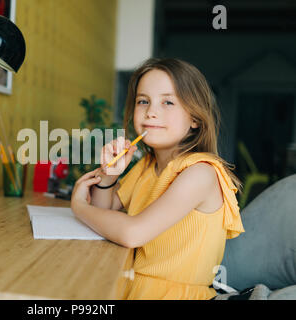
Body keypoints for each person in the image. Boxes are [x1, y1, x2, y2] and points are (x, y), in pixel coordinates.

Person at [70, 58, 245, 300]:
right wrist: (109, 176)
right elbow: (104, 211)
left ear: (195, 118)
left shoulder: (200, 173)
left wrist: (78, 207)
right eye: (143, 101)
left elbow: (133, 233)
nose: (151, 112)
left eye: (168, 102)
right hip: (131, 286)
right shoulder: (147, 165)